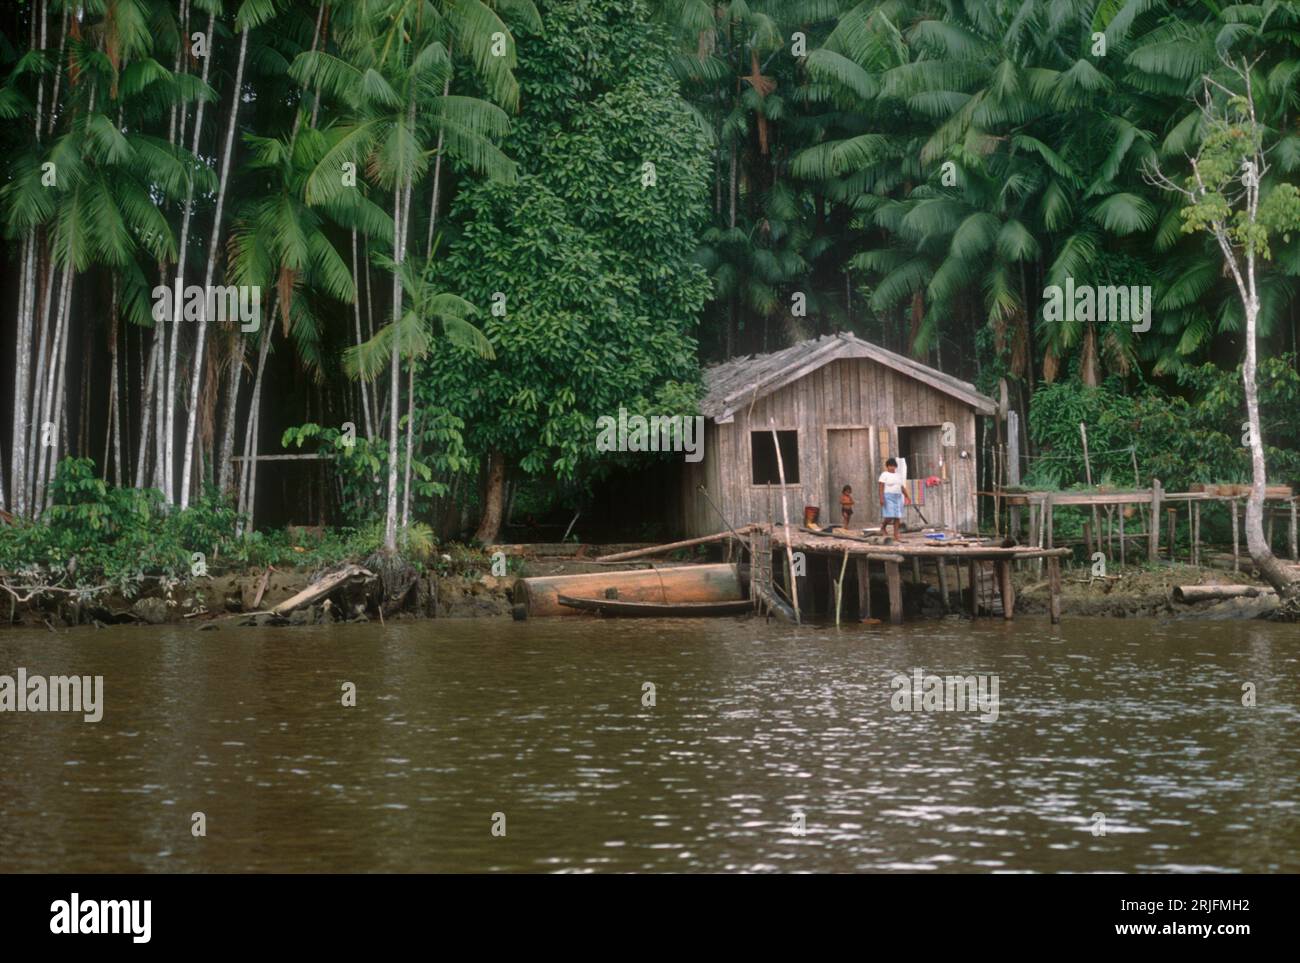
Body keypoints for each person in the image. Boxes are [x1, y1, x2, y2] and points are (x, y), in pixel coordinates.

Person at [878, 457, 911, 541]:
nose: (892, 467)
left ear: (895, 467)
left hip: (898, 496)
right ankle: (883, 527)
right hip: (888, 496)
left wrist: (907, 496)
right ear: (887, 466)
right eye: (890, 466)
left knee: (897, 516)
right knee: (890, 516)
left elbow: (902, 487)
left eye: (893, 466)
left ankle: (896, 535)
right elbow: (881, 487)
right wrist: (881, 498)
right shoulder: (884, 474)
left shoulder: (898, 475)